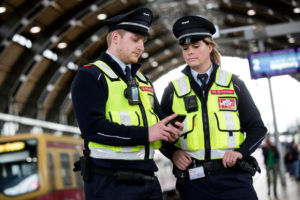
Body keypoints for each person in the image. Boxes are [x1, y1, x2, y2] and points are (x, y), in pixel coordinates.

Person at [71, 8, 183, 200]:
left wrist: (169, 130)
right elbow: (93, 129)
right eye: (135, 39)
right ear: (115, 37)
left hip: (148, 180)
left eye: (143, 41)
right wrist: (147, 133)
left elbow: (156, 118)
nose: (141, 46)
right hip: (111, 184)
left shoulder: (143, 80)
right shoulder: (90, 76)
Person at [159, 15, 267, 200]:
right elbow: (159, 132)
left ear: (209, 46)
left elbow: (258, 128)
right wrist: (173, 152)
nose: (189, 52)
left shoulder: (233, 84)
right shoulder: (173, 90)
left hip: (234, 178)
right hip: (193, 182)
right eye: (185, 48)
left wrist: (241, 152)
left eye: (195, 46)